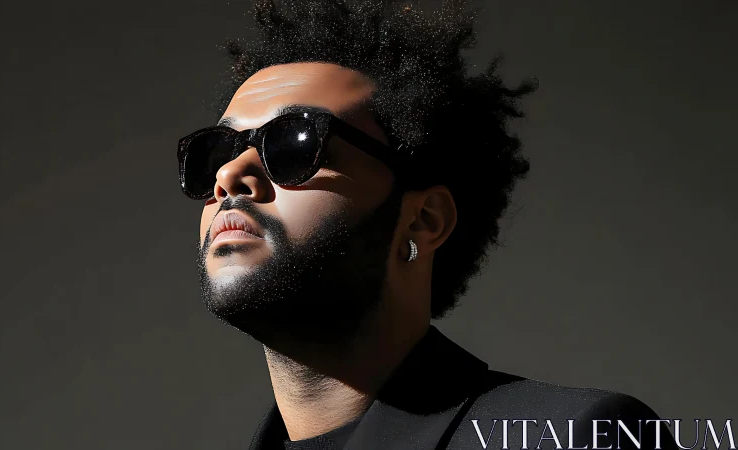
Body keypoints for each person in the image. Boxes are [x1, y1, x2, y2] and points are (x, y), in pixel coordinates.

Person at [178, 0, 675, 448]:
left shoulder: (584, 437)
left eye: (293, 144)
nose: (227, 175)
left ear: (424, 220)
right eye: (217, 152)